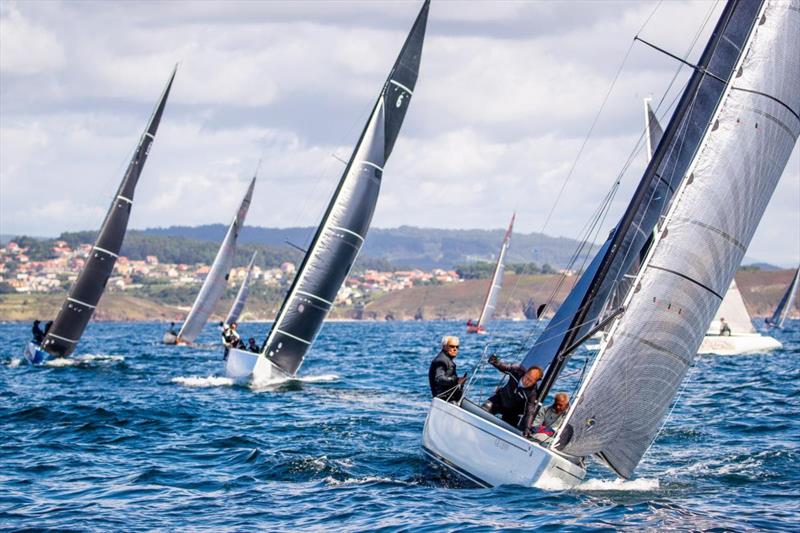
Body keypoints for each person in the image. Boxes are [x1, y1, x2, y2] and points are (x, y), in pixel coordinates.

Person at [482, 354, 543, 435]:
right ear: (526, 372)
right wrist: (495, 362)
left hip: (512, 411)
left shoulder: (532, 393)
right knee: (486, 407)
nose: (526, 381)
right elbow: (505, 368)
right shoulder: (517, 371)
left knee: (509, 431)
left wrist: (527, 428)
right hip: (500, 399)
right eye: (527, 377)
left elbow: (530, 411)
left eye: (531, 381)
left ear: (535, 382)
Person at [428, 336, 466, 402]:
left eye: (457, 347)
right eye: (452, 346)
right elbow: (439, 379)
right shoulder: (441, 360)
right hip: (444, 400)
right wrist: (456, 380)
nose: (455, 349)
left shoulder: (447, 360)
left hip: (450, 399)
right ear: (444, 346)